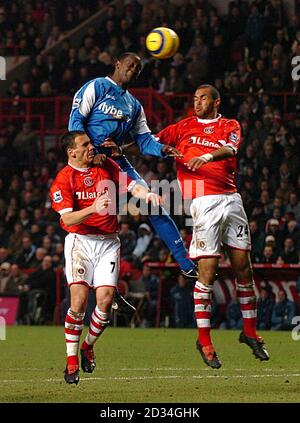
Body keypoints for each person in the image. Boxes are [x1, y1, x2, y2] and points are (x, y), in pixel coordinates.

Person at [156, 84, 270, 368]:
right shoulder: (182, 127)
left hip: (232, 199)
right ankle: (204, 340)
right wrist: (122, 147)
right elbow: (150, 140)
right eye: (194, 98)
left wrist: (205, 156)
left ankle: (250, 333)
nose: (197, 102)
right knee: (207, 271)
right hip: (204, 202)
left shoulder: (230, 124)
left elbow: (231, 148)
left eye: (203, 97)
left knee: (244, 269)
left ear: (216, 101)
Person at [68, 52, 197, 279]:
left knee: (153, 205)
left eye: (138, 69)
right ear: (118, 64)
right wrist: (90, 153)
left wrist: (163, 149)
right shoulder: (96, 87)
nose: (133, 70)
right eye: (130, 65)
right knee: (94, 220)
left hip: (117, 162)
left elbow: (144, 139)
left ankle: (185, 262)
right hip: (90, 162)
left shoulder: (134, 105)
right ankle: (98, 280)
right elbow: (75, 123)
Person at [50, 131, 161, 384]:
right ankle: (70, 362)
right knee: (77, 302)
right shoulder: (63, 180)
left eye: (90, 142)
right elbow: (66, 220)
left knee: (105, 300)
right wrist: (92, 208)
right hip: (80, 243)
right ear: (72, 152)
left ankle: (88, 346)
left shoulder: (105, 164)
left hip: (109, 243)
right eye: (85, 144)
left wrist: (148, 195)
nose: (92, 147)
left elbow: (131, 185)